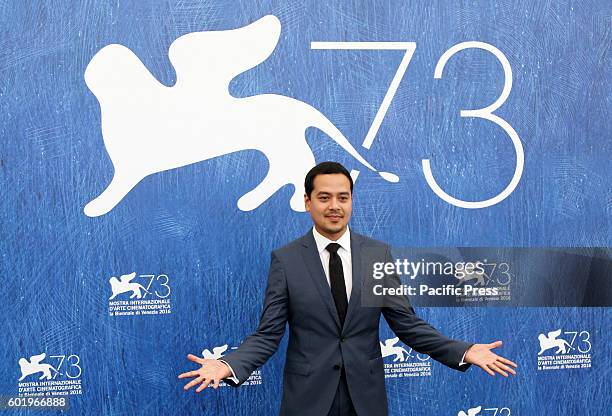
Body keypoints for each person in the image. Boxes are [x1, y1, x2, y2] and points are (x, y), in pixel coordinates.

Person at [179, 161, 517, 415]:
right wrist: (229, 365)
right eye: (324, 197)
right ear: (307, 202)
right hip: (308, 400)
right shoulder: (286, 260)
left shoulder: (376, 255)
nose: (334, 206)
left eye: (343, 197)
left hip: (365, 399)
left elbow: (407, 324)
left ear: (352, 201)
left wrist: (462, 350)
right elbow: (268, 334)